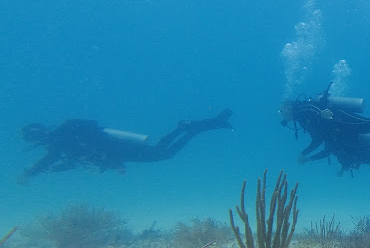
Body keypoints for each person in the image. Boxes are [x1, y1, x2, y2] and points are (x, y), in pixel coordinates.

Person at [19, 109, 233, 183]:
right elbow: (75, 160)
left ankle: (188, 128)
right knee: (160, 151)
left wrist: (31, 172)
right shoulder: (64, 137)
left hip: (116, 149)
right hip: (115, 149)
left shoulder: (60, 141)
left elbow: (55, 159)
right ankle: (191, 128)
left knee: (162, 154)